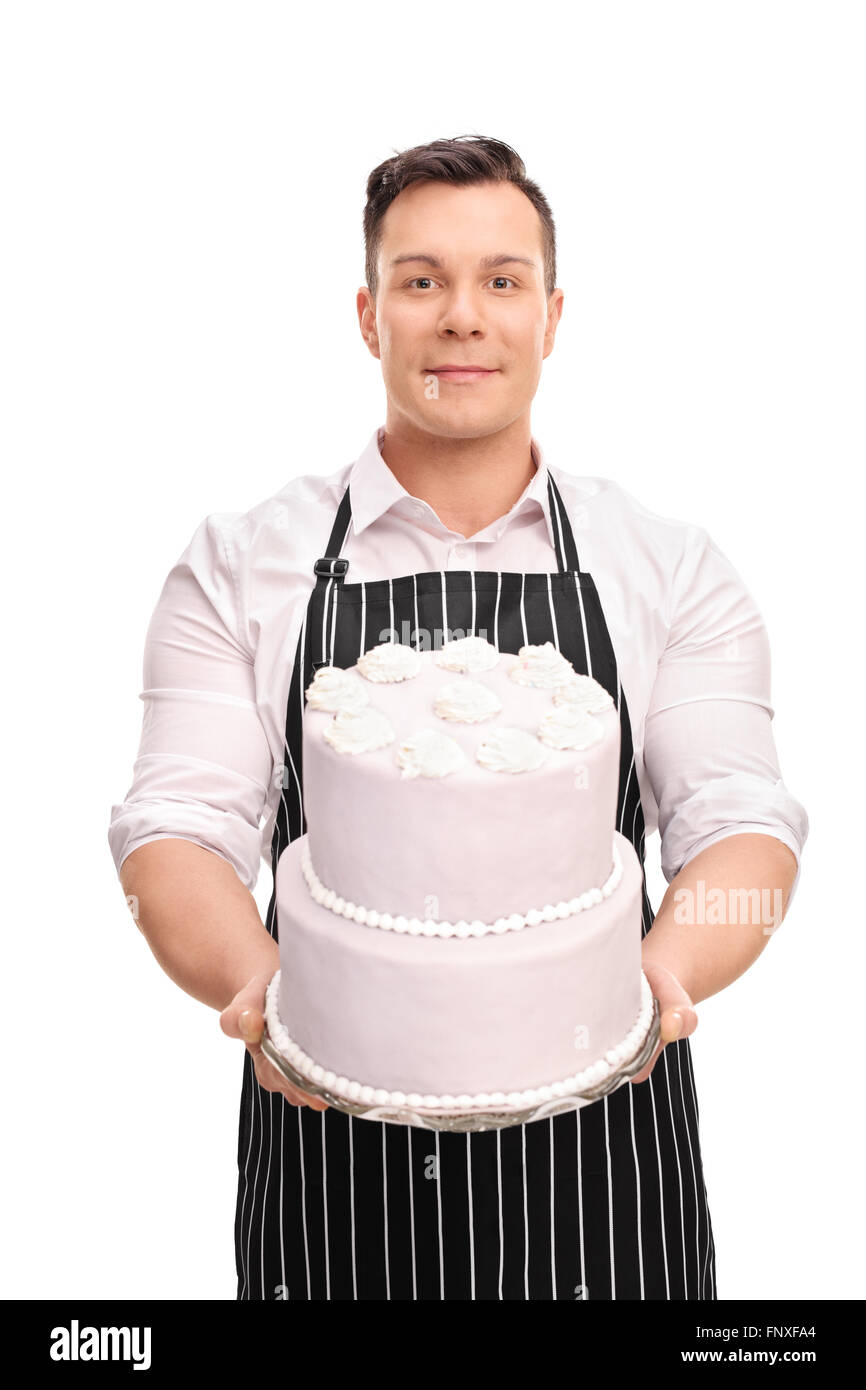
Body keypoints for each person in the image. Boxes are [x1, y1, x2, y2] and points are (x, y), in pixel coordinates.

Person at [108, 134, 808, 1301]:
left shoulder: (666, 567)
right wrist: (263, 987)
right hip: (330, 1154)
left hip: (604, 1173)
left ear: (551, 313)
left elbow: (737, 813)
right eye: (419, 279)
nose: (461, 317)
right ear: (368, 315)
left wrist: (653, 979)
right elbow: (175, 821)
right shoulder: (241, 564)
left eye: (501, 280)